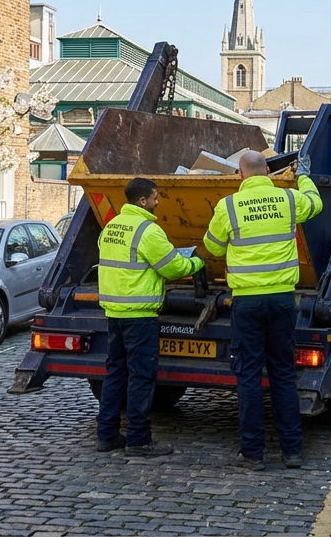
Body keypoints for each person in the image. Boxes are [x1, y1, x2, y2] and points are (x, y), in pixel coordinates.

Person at [203, 150, 322, 471]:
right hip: (282, 300)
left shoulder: (228, 206)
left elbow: (212, 246)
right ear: (268, 170)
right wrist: (303, 176)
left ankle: (253, 454)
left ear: (240, 175)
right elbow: (315, 203)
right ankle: (292, 452)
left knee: (249, 376)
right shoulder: (288, 199)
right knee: (283, 374)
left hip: (247, 302)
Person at [96, 177, 203, 457]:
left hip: (114, 313)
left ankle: (107, 435)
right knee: (141, 377)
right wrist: (197, 262)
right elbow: (173, 268)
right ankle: (139, 440)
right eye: (155, 197)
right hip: (140, 316)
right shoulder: (148, 230)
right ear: (142, 200)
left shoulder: (111, 226)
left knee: (115, 374)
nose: (157, 202)